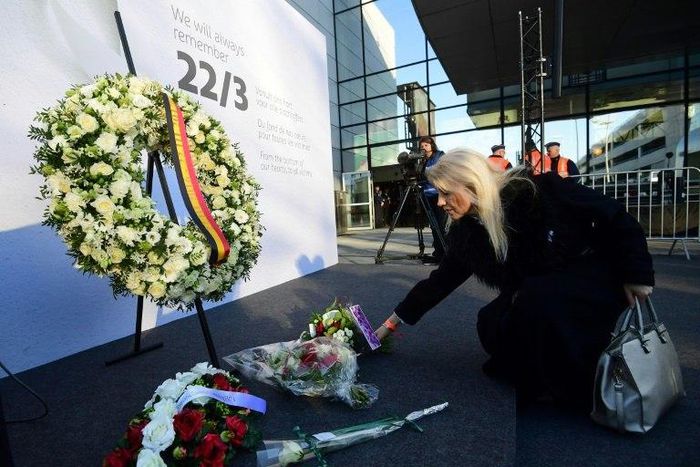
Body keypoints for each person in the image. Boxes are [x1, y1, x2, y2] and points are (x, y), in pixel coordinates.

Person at [375, 148, 654, 409]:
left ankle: (575, 385)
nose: (440, 202)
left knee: (538, 300)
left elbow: (615, 215)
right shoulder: (466, 234)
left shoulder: (541, 191)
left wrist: (637, 274)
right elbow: (438, 283)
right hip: (537, 292)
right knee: (490, 322)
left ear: (472, 185)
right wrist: (388, 325)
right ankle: (539, 368)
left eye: (447, 193)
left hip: (588, 280)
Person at [417, 136, 447, 264]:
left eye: (426, 145)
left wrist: (442, 194)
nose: (424, 148)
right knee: (434, 226)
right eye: (422, 146)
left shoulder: (439, 156)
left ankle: (445, 253)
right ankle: (438, 253)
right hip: (427, 196)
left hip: (438, 195)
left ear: (432, 145)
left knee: (440, 226)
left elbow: (443, 175)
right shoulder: (423, 161)